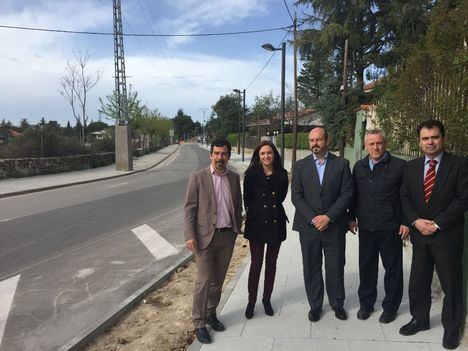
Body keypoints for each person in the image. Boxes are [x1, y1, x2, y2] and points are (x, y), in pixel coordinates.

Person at [399, 120, 467, 350]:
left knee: (451, 284)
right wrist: (416, 221)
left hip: (446, 237)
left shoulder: (459, 165)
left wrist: (437, 224)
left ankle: (451, 327)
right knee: (418, 281)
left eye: (434, 137)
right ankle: (420, 319)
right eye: (425, 138)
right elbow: (404, 198)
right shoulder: (412, 167)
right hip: (420, 235)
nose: (430, 142)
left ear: (443, 138)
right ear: (419, 142)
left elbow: (462, 200)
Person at [184, 139, 243, 344]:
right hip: (204, 238)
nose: (220, 157)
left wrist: (237, 229)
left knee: (218, 281)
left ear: (228, 155)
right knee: (204, 281)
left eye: (224, 154)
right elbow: (189, 209)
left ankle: (211, 313)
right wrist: (189, 235)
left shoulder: (234, 178)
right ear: (211, 155)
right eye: (216, 153)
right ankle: (199, 322)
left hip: (227, 237)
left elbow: (237, 206)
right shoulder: (198, 177)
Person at [291, 126, 353, 322]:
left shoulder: (342, 164)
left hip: (333, 227)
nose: (314, 144)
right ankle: (315, 305)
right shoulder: (300, 166)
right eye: (311, 141)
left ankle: (337, 303)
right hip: (308, 228)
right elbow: (296, 196)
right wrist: (314, 218)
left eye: (318, 140)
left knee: (335, 266)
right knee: (311, 267)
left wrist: (328, 217)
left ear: (327, 141)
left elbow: (346, 194)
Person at [348, 129, 409, 324]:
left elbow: (407, 197)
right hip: (366, 226)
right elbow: (353, 196)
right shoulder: (359, 167)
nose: (376, 147)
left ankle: (390, 308)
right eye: (372, 143)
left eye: (379, 143)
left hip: (391, 227)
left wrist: (406, 222)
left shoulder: (400, 166)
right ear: (366, 145)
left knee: (392, 269)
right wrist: (351, 218)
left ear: (385, 143)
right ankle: (366, 304)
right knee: (367, 268)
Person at [243, 141, 289, 319]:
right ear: (258, 156)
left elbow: (282, 197)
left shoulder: (283, 174)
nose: (266, 156)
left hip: (276, 224)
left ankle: (266, 299)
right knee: (256, 264)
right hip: (257, 224)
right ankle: (251, 301)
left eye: (269, 153)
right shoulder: (252, 174)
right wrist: (255, 212)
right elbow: (247, 199)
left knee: (271, 264)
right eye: (262, 154)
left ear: (274, 154)